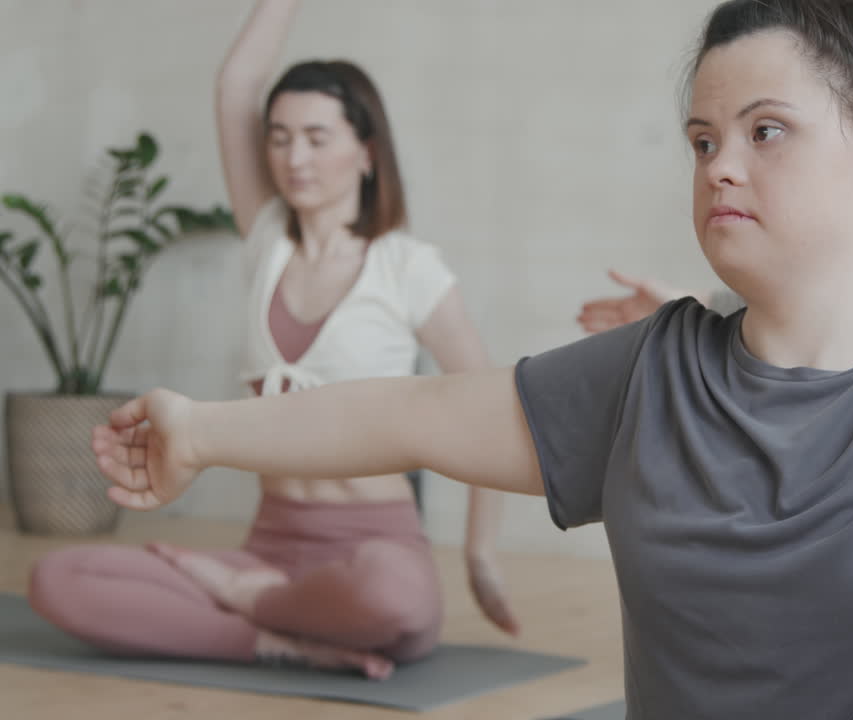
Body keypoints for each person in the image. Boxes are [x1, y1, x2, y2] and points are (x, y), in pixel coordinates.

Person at [91, 1, 853, 716]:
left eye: (766, 133)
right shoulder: (654, 379)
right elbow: (408, 412)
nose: (718, 165)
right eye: (703, 138)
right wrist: (199, 430)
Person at [28, 0, 516, 680]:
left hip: (374, 547)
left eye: (318, 138)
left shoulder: (408, 268)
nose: (295, 157)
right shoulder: (266, 243)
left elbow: (490, 411)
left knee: (393, 603)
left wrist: (480, 554)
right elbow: (235, 89)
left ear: (366, 151)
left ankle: (250, 605)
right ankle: (276, 636)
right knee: (60, 578)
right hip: (269, 546)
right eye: (280, 137)